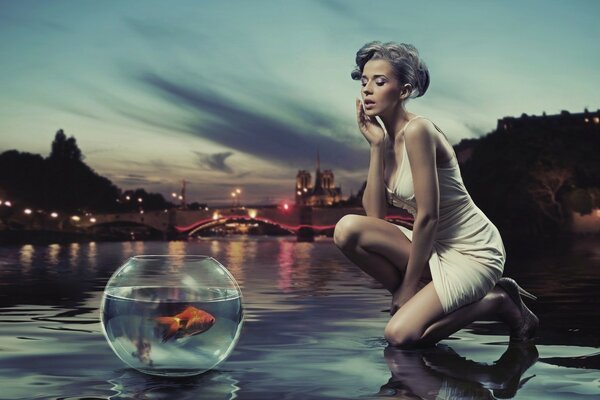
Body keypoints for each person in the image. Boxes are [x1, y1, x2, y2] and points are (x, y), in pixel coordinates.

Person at [333, 41, 539, 347]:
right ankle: (418, 299)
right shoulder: (384, 141)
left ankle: (498, 301)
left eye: (379, 82)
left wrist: (403, 289)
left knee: (399, 336)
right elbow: (376, 220)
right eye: (364, 82)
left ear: (402, 91)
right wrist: (375, 147)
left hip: (471, 251)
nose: (367, 90)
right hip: (433, 247)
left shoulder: (419, 131)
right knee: (346, 229)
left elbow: (429, 216)